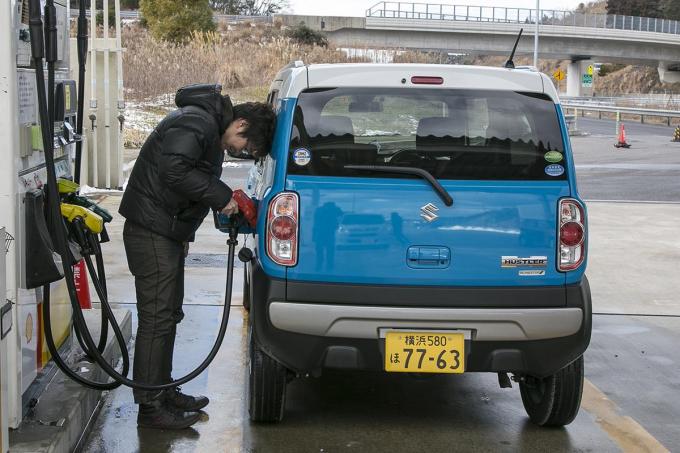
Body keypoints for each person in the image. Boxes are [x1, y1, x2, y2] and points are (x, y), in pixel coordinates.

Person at [119, 84, 276, 430]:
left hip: (165, 232)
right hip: (151, 231)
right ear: (241, 124)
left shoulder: (206, 128)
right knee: (157, 319)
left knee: (169, 315)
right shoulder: (197, 122)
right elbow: (172, 171)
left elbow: (186, 179)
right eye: (247, 147)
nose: (243, 153)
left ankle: (163, 390)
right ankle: (150, 409)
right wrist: (221, 196)